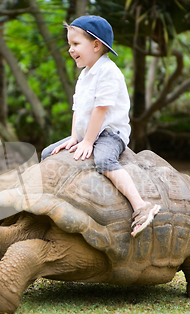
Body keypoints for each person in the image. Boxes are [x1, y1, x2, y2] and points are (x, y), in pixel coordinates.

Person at [41, 15, 160, 238]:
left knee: (104, 160)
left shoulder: (109, 72)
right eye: (69, 45)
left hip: (109, 133)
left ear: (96, 45)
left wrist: (88, 141)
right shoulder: (84, 75)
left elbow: (100, 109)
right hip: (88, 133)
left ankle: (141, 206)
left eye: (76, 44)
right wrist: (75, 137)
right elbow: (78, 109)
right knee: (48, 153)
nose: (70, 50)